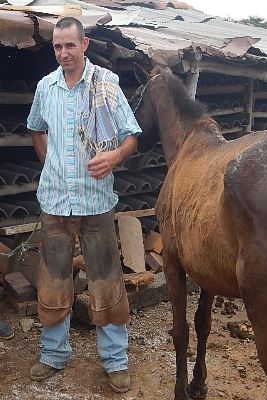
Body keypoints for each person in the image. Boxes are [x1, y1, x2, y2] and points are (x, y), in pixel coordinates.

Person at [27, 16, 141, 393]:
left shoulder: (106, 84)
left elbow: (132, 136)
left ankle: (115, 361)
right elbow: (36, 127)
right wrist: (51, 164)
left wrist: (114, 158)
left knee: (106, 280)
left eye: (70, 45)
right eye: (57, 46)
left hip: (96, 202)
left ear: (85, 44)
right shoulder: (46, 88)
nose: (63, 53)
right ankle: (53, 354)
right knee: (55, 279)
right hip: (55, 201)